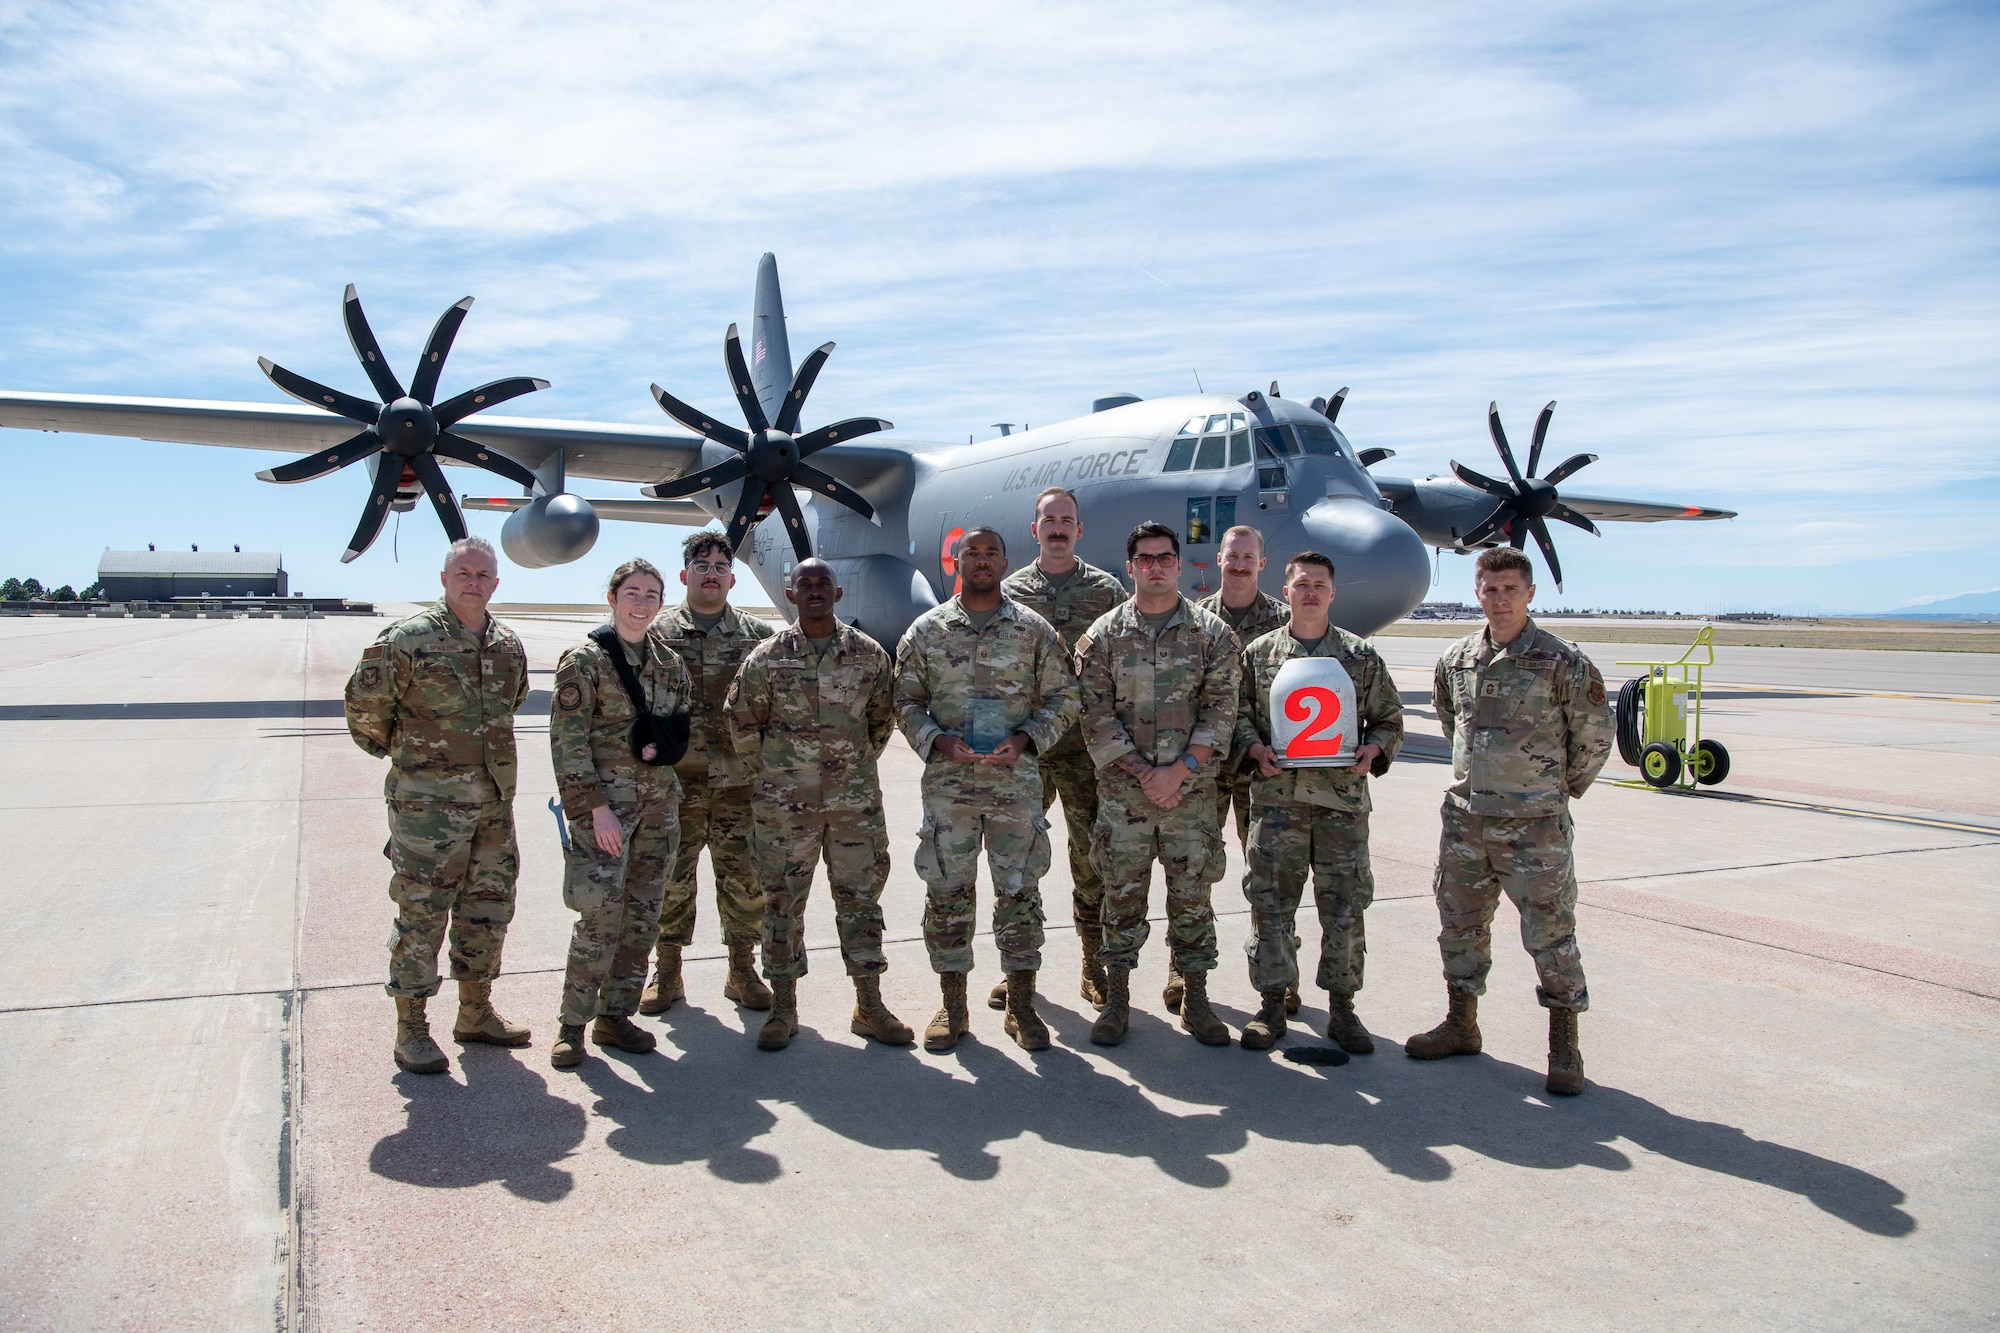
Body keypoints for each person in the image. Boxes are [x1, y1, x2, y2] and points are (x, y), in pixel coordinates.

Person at [1406, 546, 1613, 1095]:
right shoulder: (1456, 658)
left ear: (1529, 594)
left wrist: (1554, 789)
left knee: (1551, 934)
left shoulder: (1562, 661)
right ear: (1477, 592)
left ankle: (1564, 1045)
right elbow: (1453, 724)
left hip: (1535, 826)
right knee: (1460, 926)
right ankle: (1461, 1023)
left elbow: (1594, 735)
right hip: (1468, 821)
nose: (1499, 600)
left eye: (1510, 589)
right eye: (1490, 589)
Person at [345, 536, 532, 1075]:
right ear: (445, 579)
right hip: (427, 809)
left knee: (488, 908)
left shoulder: (508, 645)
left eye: (483, 575)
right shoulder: (409, 639)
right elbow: (364, 707)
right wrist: (409, 758)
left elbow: (512, 703)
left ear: (495, 584)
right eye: (463, 573)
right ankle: (411, 1028)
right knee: (422, 912)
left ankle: (474, 1012)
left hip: (493, 805)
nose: (473, 582)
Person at [894, 526, 1079, 1052]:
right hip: (949, 784)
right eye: (970, 552)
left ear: (1004, 561)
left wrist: (1026, 738)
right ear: (955, 560)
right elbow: (904, 701)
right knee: (947, 893)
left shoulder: (1034, 631)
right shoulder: (927, 631)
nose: (980, 560)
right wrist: (937, 741)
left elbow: (1065, 697)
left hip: (1013, 784)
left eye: (990, 553)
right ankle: (953, 1008)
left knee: (1019, 893)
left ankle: (1021, 1004)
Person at [726, 558, 912, 1051]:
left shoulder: (868, 655)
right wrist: (778, 775)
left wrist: (847, 770)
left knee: (861, 900)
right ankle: (784, 1007)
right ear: (791, 594)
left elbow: (881, 719)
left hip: (854, 807)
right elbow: (742, 723)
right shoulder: (766, 658)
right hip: (785, 809)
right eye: (804, 584)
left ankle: (868, 1004)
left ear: (838, 592)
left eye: (822, 583)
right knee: (783, 904)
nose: (813, 591)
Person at [1075, 522, 1241, 1047]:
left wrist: (1180, 770)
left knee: (1192, 898)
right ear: (1131, 567)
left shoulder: (1212, 634)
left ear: (1177, 563)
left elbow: (1222, 710)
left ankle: (1196, 999)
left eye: (1163, 557)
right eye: (1144, 558)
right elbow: (1093, 713)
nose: (1154, 566)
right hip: (1126, 797)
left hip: (1189, 797)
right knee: (1121, 899)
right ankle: (1118, 1001)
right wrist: (1146, 773)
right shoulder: (1103, 636)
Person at [1234, 552, 1403, 1052]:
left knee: (1346, 908)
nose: (1310, 592)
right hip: (1276, 803)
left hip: (1341, 806)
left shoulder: (1359, 656)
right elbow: (1239, 715)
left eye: (1320, 585)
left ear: (1333, 593)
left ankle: (1343, 1009)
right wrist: (1252, 747)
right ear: (1285, 592)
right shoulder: (1258, 654)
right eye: (1301, 584)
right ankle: (1271, 1002)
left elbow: (1389, 719)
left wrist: (1375, 750)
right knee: (1269, 905)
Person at [546, 559, 691, 1068]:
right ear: (613, 597)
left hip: (659, 809)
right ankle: (571, 1026)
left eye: (652, 594)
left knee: (642, 918)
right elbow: (567, 744)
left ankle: (616, 1016)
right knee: (599, 919)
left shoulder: (670, 663)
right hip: (605, 814)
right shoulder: (584, 661)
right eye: (633, 592)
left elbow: (678, 728)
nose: (642, 602)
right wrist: (595, 809)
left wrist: (664, 751)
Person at [998, 486, 1128, 1011]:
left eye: (1066, 519)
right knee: (1017, 859)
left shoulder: (1106, 591)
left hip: (1083, 751)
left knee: (1090, 859)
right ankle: (1017, 967)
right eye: (1048, 519)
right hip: (1024, 748)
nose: (1057, 527)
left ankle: (1091, 961)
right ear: (1034, 530)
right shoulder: (1010, 592)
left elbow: (1124, 660)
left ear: (1079, 530)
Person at [641, 532, 777, 1016]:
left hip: (740, 785)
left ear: (733, 579)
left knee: (744, 880)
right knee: (671, 880)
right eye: (702, 565)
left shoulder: (759, 639)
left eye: (721, 566)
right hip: (674, 786)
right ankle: (669, 971)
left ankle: (742, 970)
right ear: (684, 575)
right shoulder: (653, 636)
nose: (712, 573)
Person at [1194, 522, 1293, 1013]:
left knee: (1270, 873)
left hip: (1263, 770)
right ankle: (1185, 969)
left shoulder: (1285, 621)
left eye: (1247, 556)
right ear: (1219, 559)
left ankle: (1280, 972)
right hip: (1207, 769)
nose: (1238, 564)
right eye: (1231, 556)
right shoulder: (1193, 620)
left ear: (1262, 563)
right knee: (1194, 870)